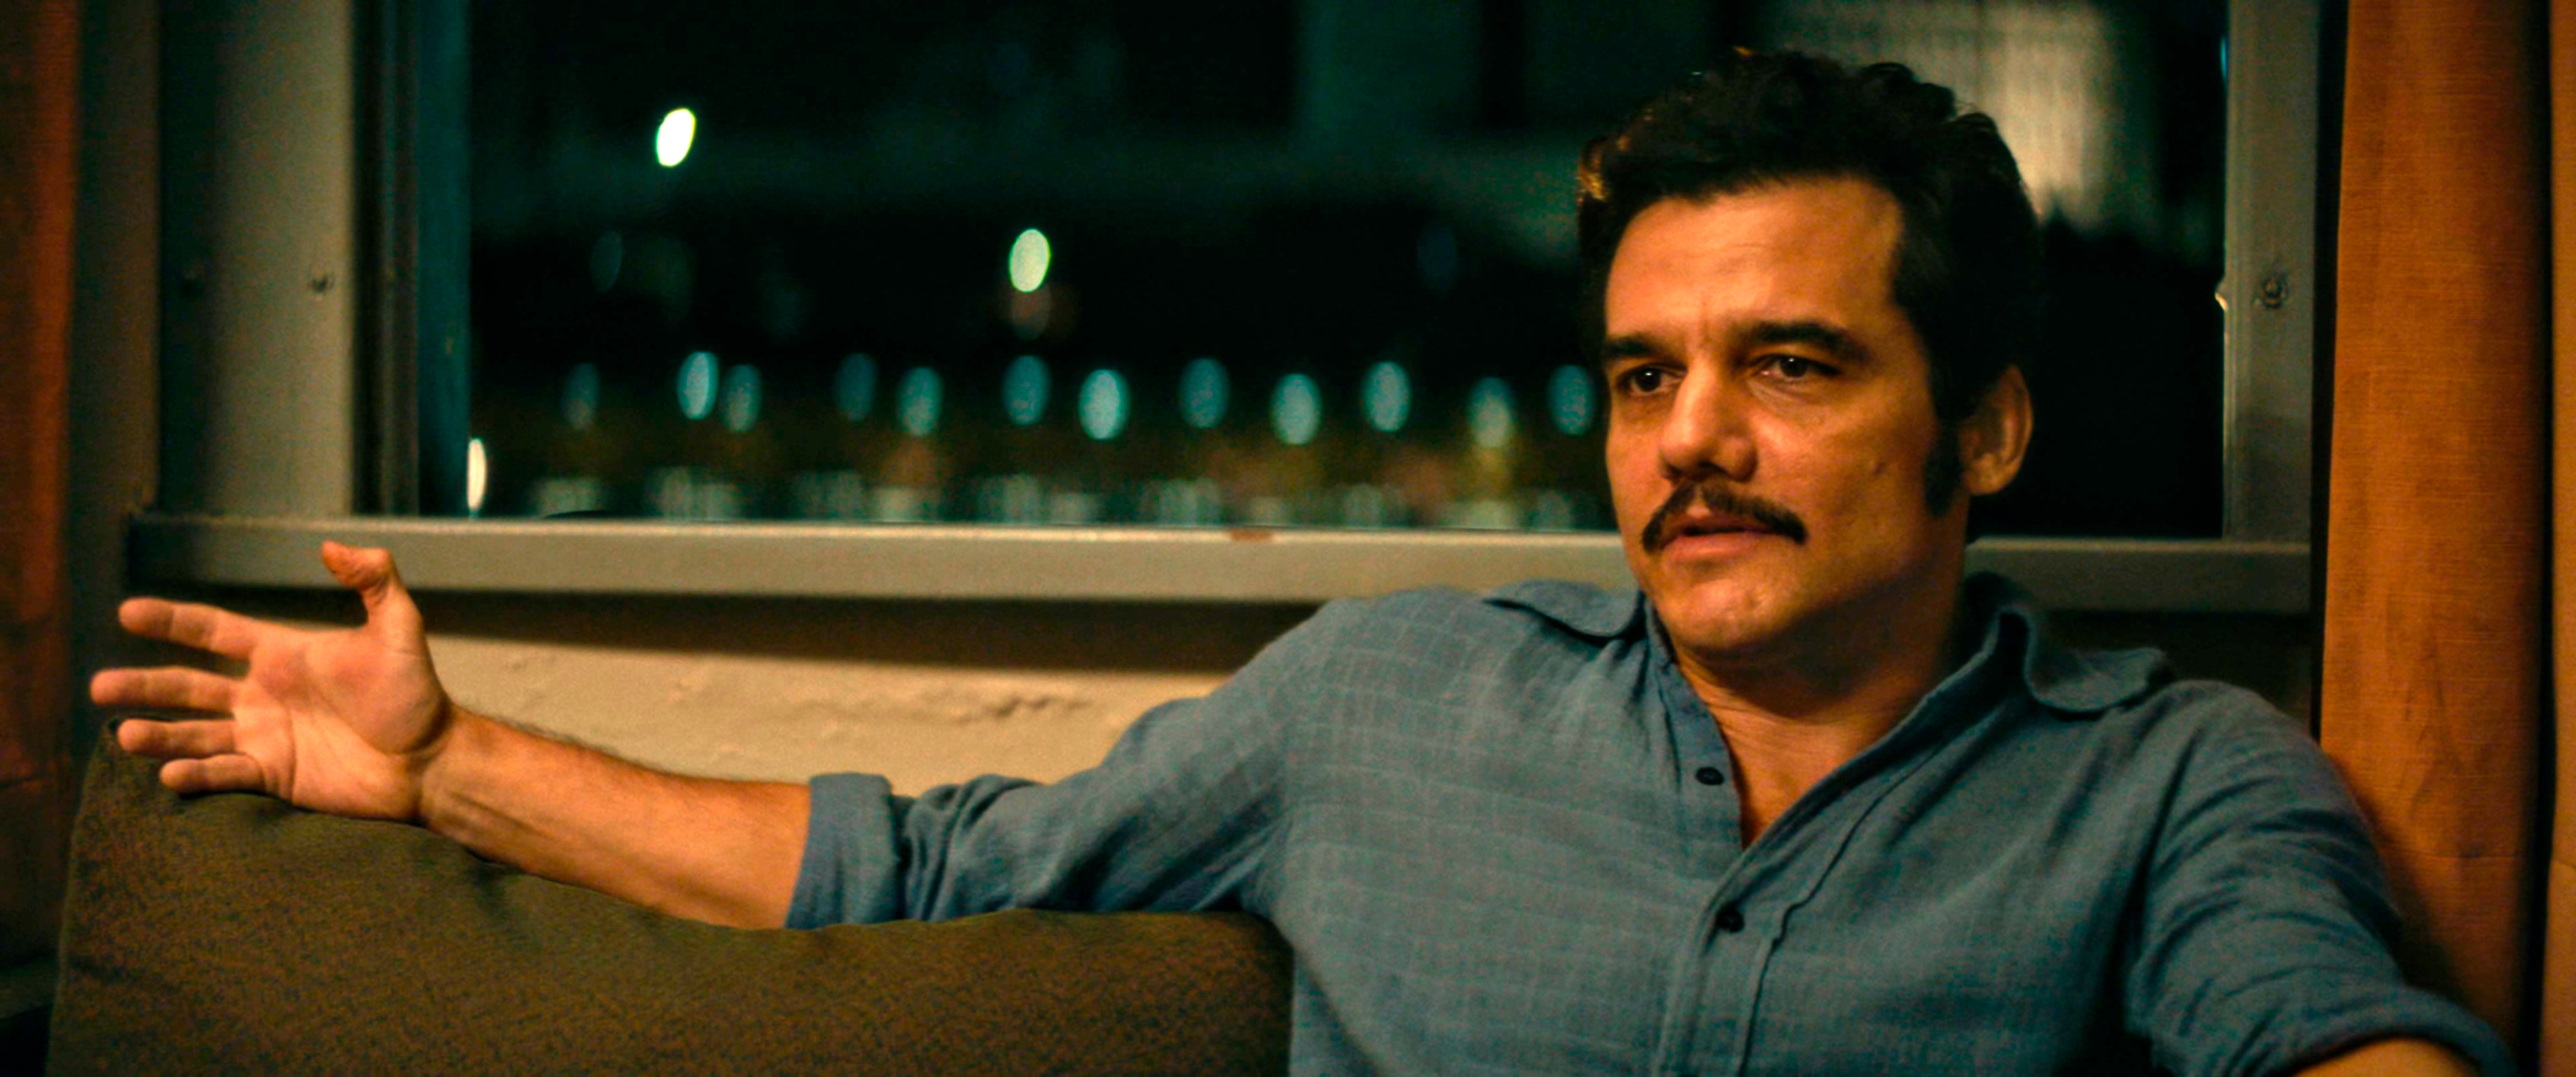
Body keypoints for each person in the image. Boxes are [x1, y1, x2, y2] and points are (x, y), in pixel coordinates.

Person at [93, 52, 2506, 1075]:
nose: (1689, 442)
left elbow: (2325, 1031)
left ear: (1983, 425)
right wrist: (440, 763)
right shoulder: (1388, 708)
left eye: (1789, 366)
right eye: (1641, 376)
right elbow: (920, 868)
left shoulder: (2167, 788)